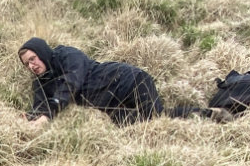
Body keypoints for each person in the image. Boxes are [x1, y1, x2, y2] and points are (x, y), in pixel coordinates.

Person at [18, 38, 233, 126]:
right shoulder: (42, 83)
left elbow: (71, 82)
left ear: (42, 52)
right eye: (27, 64)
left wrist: (49, 113)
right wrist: (30, 118)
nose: (32, 66)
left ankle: (210, 115)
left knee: (155, 117)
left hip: (130, 81)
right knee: (138, 124)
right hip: (113, 106)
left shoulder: (66, 55)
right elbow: (40, 105)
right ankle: (209, 114)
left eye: (33, 59)